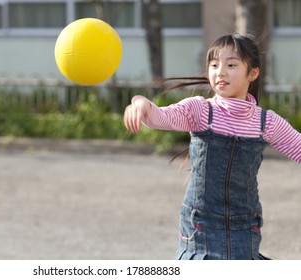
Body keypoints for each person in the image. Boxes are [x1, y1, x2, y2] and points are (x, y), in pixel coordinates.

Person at [124, 33, 301, 260]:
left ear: (253, 73)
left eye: (231, 65)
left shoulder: (266, 122)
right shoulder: (200, 111)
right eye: (214, 65)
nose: (221, 72)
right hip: (200, 227)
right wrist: (141, 104)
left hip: (245, 226)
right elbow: (160, 116)